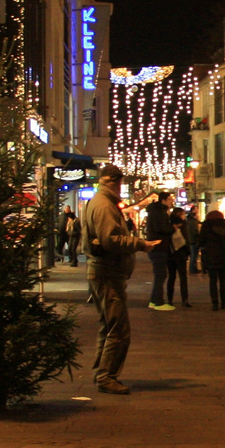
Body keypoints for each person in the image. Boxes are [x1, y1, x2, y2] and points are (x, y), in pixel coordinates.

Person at [81, 165, 158, 393]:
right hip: (107, 272)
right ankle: (106, 377)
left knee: (109, 326)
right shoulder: (104, 205)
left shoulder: (100, 202)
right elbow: (110, 240)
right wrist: (140, 244)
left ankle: (101, 373)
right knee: (118, 329)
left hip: (105, 271)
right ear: (115, 182)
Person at [198, 210, 225, 310]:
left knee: (212, 280)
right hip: (223, 254)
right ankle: (224, 302)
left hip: (210, 255)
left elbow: (201, 240)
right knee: (223, 279)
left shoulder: (206, 225)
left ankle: (214, 303)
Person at [143, 197, 174, 310]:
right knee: (161, 274)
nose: (171, 202)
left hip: (155, 246)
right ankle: (158, 302)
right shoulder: (160, 212)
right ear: (163, 200)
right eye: (169, 200)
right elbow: (162, 228)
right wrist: (173, 228)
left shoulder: (155, 211)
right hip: (158, 246)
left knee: (159, 275)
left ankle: (154, 300)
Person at [167, 207, 192, 308]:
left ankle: (169, 299)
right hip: (181, 252)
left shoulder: (168, 223)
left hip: (171, 252)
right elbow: (186, 237)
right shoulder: (183, 223)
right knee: (183, 277)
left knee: (171, 276)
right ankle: (184, 299)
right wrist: (188, 251)